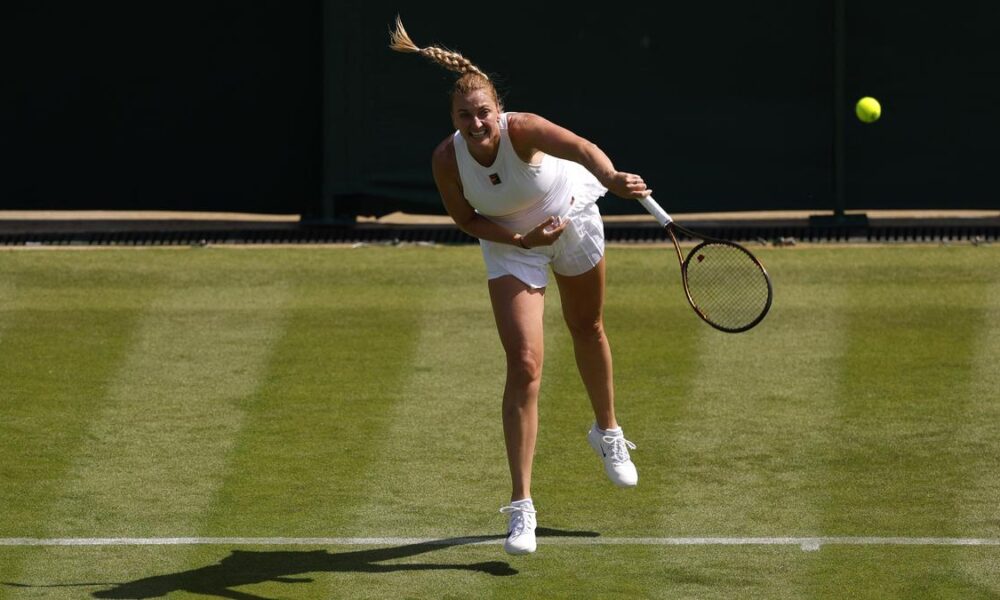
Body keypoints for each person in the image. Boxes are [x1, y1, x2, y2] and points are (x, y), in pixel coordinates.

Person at [389, 17, 652, 556]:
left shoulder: (523, 127)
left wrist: (611, 179)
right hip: (512, 243)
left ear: (497, 110)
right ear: (454, 119)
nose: (477, 123)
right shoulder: (447, 159)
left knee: (588, 327)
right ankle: (522, 508)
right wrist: (523, 238)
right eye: (465, 116)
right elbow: (466, 220)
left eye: (483, 112)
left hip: (572, 219)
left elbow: (580, 146)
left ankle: (607, 433)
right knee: (526, 364)